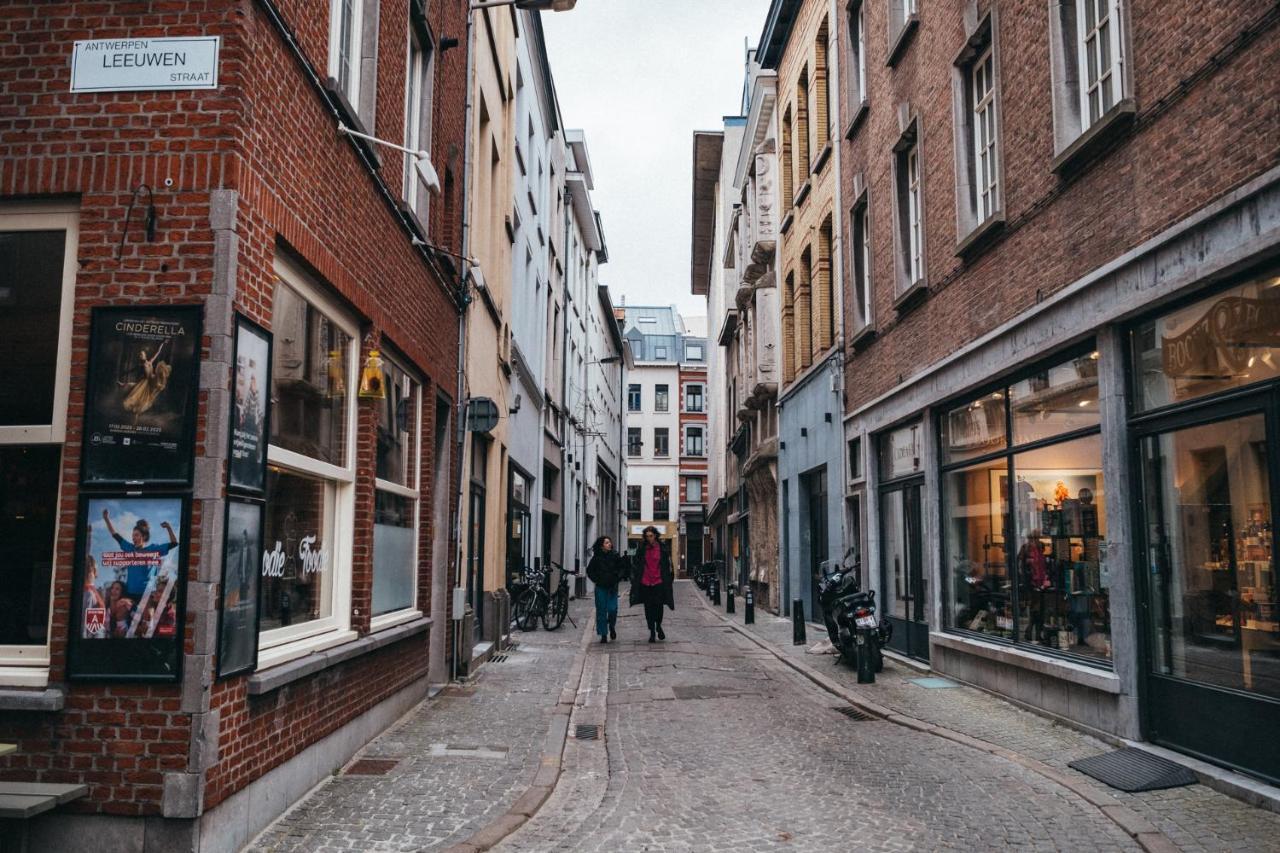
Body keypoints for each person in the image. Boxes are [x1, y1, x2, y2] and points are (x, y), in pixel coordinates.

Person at [102, 508, 179, 599]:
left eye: (136, 535)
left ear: (144, 536)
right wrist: (106, 519)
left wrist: (169, 528)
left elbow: (174, 543)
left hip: (146, 595)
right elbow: (115, 535)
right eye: (132, 536)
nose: (133, 538)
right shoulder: (130, 548)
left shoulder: (152, 549)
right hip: (130, 593)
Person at [630, 526, 674, 643]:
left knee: (658, 607)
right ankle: (652, 631)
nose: (649, 538)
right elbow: (636, 564)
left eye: (651, 536)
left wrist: (669, 580)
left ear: (655, 535)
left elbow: (669, 566)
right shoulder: (642, 549)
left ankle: (658, 625)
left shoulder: (662, 548)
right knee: (648, 608)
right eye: (647, 536)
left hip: (659, 582)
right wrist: (635, 578)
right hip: (645, 582)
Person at [585, 536, 624, 644]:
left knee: (612, 609)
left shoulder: (615, 556)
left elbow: (622, 568)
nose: (609, 544)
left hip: (612, 587)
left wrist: (617, 577)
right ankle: (603, 634)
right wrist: (597, 579)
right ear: (602, 546)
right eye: (607, 543)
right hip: (601, 588)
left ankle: (611, 626)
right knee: (601, 611)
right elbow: (589, 570)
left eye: (609, 542)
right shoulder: (597, 558)